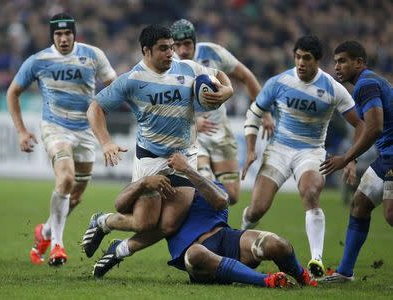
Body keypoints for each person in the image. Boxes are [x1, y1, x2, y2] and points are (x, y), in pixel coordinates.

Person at [84, 24, 233, 275]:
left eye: (172, 48)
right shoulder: (133, 79)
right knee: (145, 222)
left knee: (169, 224)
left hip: (184, 156)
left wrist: (227, 91)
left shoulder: (188, 69)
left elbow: (221, 75)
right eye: (163, 49)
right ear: (146, 51)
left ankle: (117, 252)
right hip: (151, 158)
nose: (171, 53)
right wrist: (106, 142)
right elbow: (95, 108)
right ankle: (103, 221)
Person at [84, 153, 317, 288]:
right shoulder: (157, 193)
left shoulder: (204, 186)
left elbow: (222, 202)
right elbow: (125, 206)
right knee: (195, 253)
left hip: (227, 240)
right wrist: (144, 183)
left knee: (279, 244)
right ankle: (266, 281)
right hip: (197, 256)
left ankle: (303, 277)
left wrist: (190, 172)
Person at [240, 35, 365, 278]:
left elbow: (359, 125)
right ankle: (240, 242)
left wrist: (351, 158)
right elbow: (254, 114)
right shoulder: (279, 82)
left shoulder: (332, 88)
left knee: (310, 192)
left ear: (317, 60)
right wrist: (252, 149)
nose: (300, 62)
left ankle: (315, 259)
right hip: (279, 150)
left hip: (311, 151)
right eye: (297, 57)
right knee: (256, 209)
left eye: (306, 58)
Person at [6, 13, 117, 266]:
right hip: (55, 127)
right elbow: (13, 93)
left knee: (75, 196)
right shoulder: (38, 61)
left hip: (86, 131)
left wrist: (105, 113)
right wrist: (22, 131)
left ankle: (44, 232)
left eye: (68, 33)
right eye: (58, 34)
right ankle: (57, 245)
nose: (64, 38)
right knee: (65, 178)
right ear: (52, 36)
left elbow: (115, 86)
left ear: (74, 34)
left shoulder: (93, 55)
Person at [170, 19, 275, 205]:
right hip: (191, 134)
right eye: (177, 45)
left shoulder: (213, 52)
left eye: (186, 44)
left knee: (231, 196)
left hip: (220, 130)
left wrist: (265, 113)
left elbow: (246, 76)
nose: (182, 50)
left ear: (194, 42)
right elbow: (162, 105)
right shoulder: (169, 65)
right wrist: (191, 121)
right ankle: (202, 231)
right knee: (203, 181)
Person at [319, 41, 393, 283]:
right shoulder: (365, 84)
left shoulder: (366, 85)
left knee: (391, 214)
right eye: (335, 61)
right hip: (387, 157)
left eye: (342, 61)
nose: (336, 66)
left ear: (359, 62)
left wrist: (345, 158)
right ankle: (345, 273)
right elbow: (363, 127)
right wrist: (354, 159)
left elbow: (374, 128)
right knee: (359, 204)